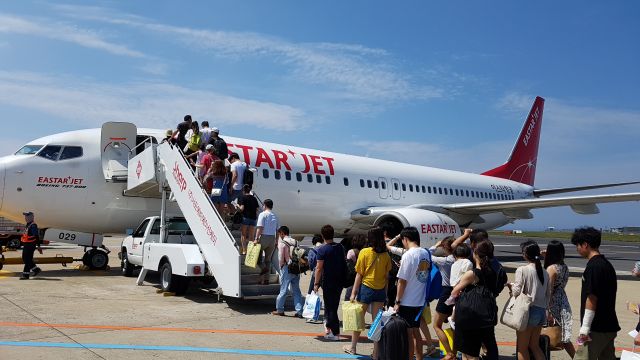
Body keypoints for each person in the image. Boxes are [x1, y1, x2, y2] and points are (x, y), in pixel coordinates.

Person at [571, 227, 620, 360]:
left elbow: (592, 298)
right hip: (609, 326)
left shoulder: (593, 267)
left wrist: (585, 328)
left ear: (585, 245)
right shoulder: (607, 265)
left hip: (596, 328)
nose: (577, 248)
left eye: (578, 245)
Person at [344, 228, 391, 358]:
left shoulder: (364, 252)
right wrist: (385, 294)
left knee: (359, 320)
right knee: (377, 322)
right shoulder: (386, 255)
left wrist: (353, 292)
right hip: (380, 290)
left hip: (366, 288)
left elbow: (359, 274)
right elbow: (387, 277)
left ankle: (353, 347)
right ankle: (376, 353)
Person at [450, 240, 499, 360]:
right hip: (488, 313)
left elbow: (454, 291)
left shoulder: (472, 274)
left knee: (470, 353)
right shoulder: (494, 271)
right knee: (489, 345)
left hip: (471, 316)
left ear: (476, 254)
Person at [508, 240, 550, 360]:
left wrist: (511, 286)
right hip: (541, 311)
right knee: (534, 346)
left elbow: (516, 292)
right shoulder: (544, 272)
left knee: (522, 348)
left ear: (526, 254)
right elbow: (548, 294)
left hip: (528, 311)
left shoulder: (522, 269)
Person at [392, 227, 430, 360]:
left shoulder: (408, 255)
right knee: (416, 333)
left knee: (408, 335)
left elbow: (402, 281)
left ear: (405, 239)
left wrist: (397, 301)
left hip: (407, 301)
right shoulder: (425, 253)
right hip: (419, 300)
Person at [313, 225, 346, 341]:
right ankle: (329, 327)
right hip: (340, 281)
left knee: (330, 307)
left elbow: (319, 268)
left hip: (328, 281)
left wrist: (316, 283)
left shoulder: (322, 249)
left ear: (322, 236)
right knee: (334, 305)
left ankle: (335, 332)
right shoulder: (340, 247)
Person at [544, 240, 575, 358]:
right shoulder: (564, 267)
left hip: (553, 303)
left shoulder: (551, 268)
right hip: (563, 300)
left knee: (548, 333)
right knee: (563, 335)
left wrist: (548, 310)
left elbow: (549, 291)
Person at [272, 226, 303, 318]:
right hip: (296, 268)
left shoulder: (282, 243)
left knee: (283, 290)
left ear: (282, 233)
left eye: (279, 234)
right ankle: (299, 311)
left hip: (287, 268)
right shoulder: (296, 242)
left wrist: (281, 266)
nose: (279, 236)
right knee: (297, 290)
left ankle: (280, 309)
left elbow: (281, 257)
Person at [255, 199, 278, 285]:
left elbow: (260, 228)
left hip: (264, 238)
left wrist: (256, 238)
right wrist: (276, 240)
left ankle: (264, 269)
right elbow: (277, 229)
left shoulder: (262, 214)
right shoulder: (275, 215)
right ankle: (266, 280)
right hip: (272, 239)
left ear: (264, 205)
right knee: (268, 260)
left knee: (258, 260)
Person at [237, 185, 259, 255]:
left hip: (245, 217)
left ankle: (244, 250)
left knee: (243, 235)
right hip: (253, 218)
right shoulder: (254, 198)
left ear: (243, 191)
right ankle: (251, 251)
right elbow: (257, 209)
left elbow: (242, 208)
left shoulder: (242, 197)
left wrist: (237, 206)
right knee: (251, 236)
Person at [343, 234, 366, 301]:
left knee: (348, 298)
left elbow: (348, 266)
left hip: (353, 279)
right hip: (363, 279)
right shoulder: (365, 252)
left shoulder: (351, 252)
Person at [20, 211, 42, 280]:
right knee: (27, 259)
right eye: (25, 216)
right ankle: (28, 274)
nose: (26, 218)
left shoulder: (33, 225)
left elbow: (36, 236)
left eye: (27, 216)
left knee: (26, 259)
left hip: (30, 245)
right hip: (27, 244)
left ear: (31, 217)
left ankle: (34, 270)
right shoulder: (28, 224)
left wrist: (38, 246)